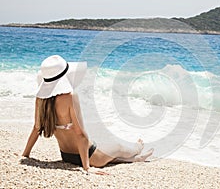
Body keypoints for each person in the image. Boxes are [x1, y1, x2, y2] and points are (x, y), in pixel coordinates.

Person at [22, 55, 153, 175]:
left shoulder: (41, 100)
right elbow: (80, 134)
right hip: (89, 156)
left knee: (108, 154)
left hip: (66, 156)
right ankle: (137, 149)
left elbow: (36, 128)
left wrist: (25, 154)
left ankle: (135, 159)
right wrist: (87, 168)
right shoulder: (70, 98)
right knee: (118, 147)